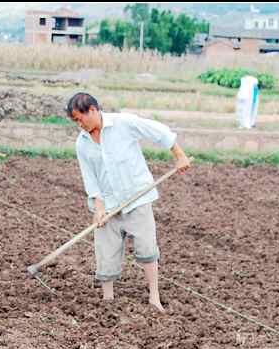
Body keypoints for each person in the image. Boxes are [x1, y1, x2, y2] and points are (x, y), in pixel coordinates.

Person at [67, 92, 191, 313]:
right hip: (109, 205)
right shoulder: (82, 144)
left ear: (93, 110)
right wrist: (98, 208)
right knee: (106, 251)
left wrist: (179, 156)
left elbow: (160, 132)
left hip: (137, 197)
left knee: (146, 248)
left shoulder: (124, 123)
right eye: (75, 121)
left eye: (80, 118)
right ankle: (108, 301)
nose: (79, 124)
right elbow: (90, 178)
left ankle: (154, 297)